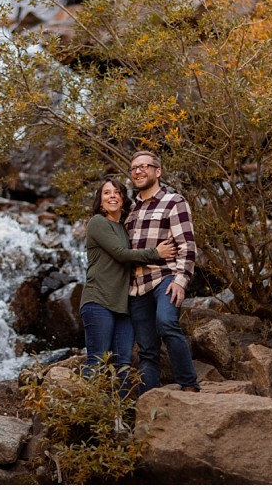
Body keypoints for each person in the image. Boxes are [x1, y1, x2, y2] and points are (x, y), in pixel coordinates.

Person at [80, 177, 177, 393]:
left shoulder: (124, 228)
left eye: (117, 192)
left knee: (123, 364)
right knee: (97, 361)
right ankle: (85, 421)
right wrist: (156, 254)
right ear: (100, 200)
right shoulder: (98, 222)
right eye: (106, 193)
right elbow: (121, 254)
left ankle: (118, 421)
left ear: (124, 199)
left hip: (123, 306)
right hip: (99, 302)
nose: (112, 196)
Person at [125, 150, 201, 393]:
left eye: (144, 166)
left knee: (166, 323)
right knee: (147, 349)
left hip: (164, 278)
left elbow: (187, 244)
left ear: (157, 172)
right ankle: (150, 400)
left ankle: (189, 385)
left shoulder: (173, 202)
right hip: (136, 286)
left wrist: (181, 280)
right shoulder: (130, 208)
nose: (138, 171)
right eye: (134, 167)